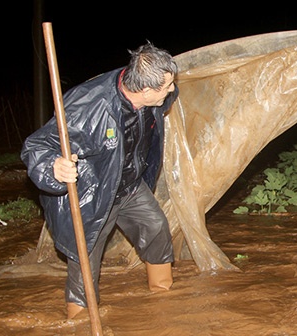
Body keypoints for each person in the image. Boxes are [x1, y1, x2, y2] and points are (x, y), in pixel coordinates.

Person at [21, 41, 179, 319]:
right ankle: (79, 320)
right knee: (85, 263)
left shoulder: (149, 91)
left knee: (156, 227)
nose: (172, 90)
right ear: (145, 90)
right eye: (166, 87)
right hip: (91, 193)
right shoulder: (88, 106)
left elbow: (164, 96)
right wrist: (53, 167)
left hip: (128, 184)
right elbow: (36, 146)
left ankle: (163, 298)